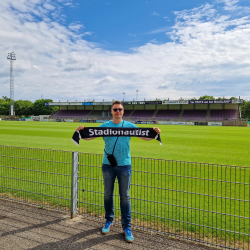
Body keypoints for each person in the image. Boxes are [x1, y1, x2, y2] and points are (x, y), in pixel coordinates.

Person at [76, 101, 161, 243]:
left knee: (125, 196)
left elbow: (143, 136)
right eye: (115, 109)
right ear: (111, 111)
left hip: (125, 165)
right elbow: (90, 136)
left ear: (123, 111)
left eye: (120, 109)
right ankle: (108, 220)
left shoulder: (129, 126)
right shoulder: (104, 126)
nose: (118, 111)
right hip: (108, 165)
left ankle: (126, 227)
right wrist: (81, 131)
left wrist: (154, 133)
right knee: (108, 194)